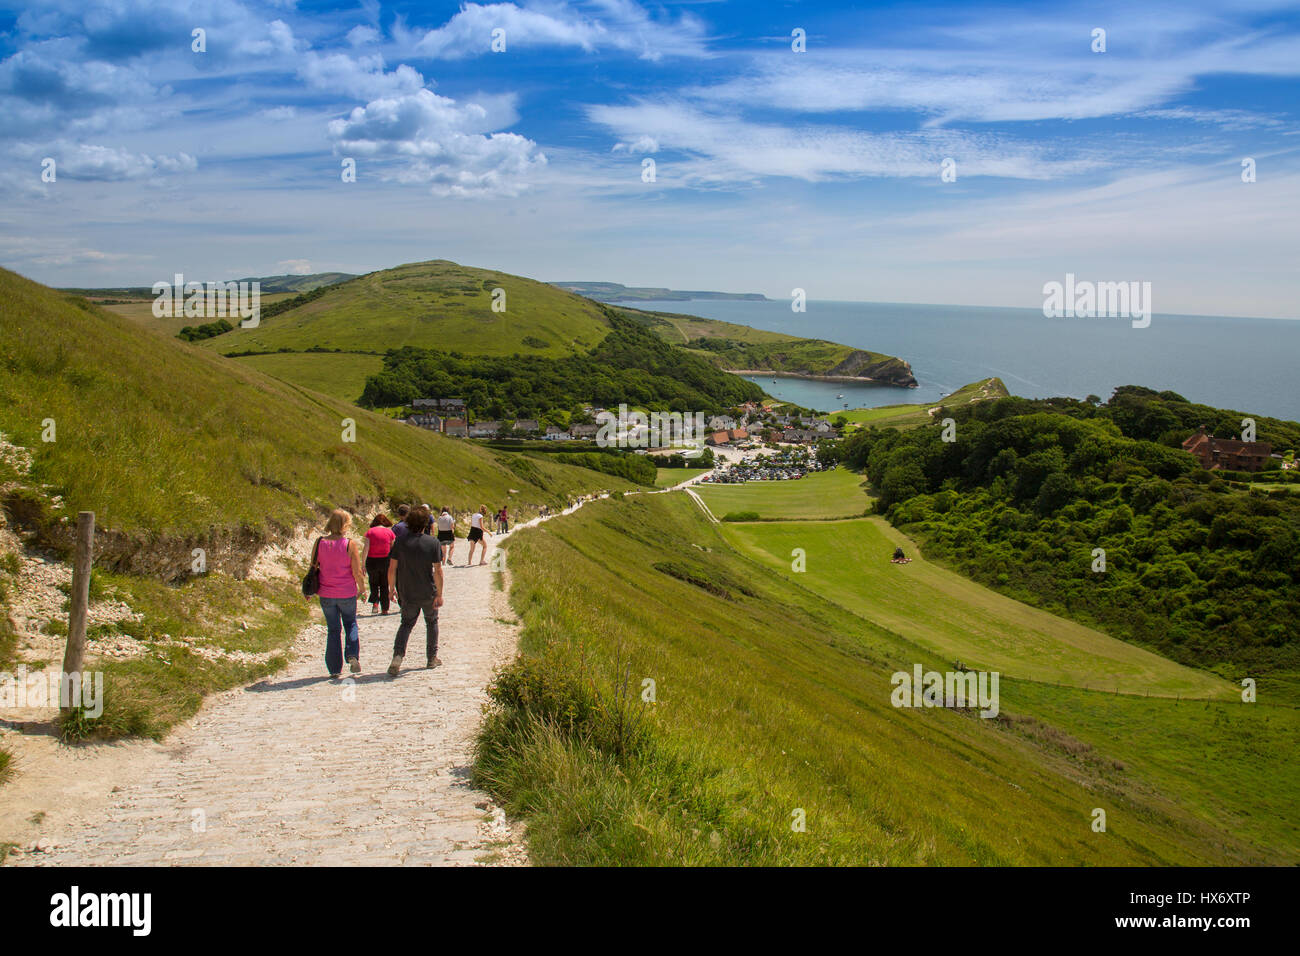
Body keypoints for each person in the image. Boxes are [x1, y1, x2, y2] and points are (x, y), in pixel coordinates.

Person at [387, 506, 444, 675]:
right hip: (428, 591)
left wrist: (391, 589)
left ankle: (397, 656)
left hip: (407, 591)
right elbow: (438, 571)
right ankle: (431, 658)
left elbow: (392, 568)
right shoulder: (433, 542)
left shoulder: (400, 541)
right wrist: (439, 594)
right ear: (426, 523)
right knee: (431, 622)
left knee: (406, 624)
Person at [311, 508, 366, 678]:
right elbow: (357, 571)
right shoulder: (349, 544)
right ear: (346, 524)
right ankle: (352, 655)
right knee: (351, 623)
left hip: (326, 593)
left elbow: (313, 567)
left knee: (333, 629)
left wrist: (309, 589)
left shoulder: (319, 542)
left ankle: (334, 668)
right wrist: (362, 589)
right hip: (347, 592)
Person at [361, 513, 396, 615]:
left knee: (373, 583)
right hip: (386, 561)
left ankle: (375, 604)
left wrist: (363, 564)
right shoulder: (390, 532)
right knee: (385, 585)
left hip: (372, 561)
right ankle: (385, 608)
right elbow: (393, 549)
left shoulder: (370, 532)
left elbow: (366, 548)